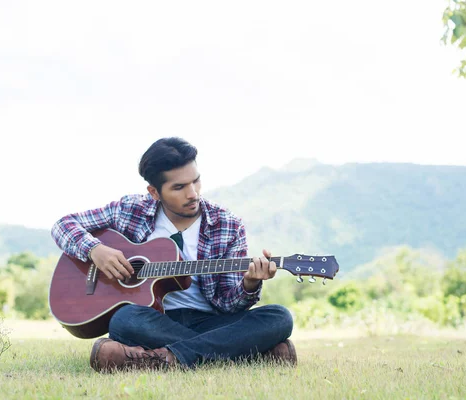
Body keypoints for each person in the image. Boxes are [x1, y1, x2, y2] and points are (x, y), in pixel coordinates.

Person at [51, 137, 295, 372]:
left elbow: (228, 305)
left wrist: (249, 284)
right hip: (152, 320)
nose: (193, 194)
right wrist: (95, 250)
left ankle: (160, 358)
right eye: (179, 187)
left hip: (210, 321)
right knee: (124, 320)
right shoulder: (130, 210)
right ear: (154, 192)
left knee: (279, 317)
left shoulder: (227, 225)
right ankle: (248, 354)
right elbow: (63, 225)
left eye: (195, 181)